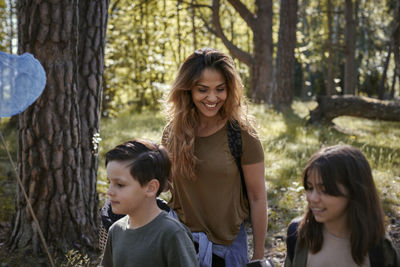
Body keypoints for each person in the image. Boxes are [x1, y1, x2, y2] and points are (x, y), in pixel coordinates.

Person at [162, 47, 268, 267]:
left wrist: (258, 256)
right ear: (188, 89)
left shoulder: (242, 134)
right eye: (203, 89)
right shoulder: (173, 133)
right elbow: (165, 186)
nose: (212, 97)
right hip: (180, 244)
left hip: (226, 248)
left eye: (220, 89)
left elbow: (258, 197)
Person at [284, 145, 400, 267]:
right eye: (310, 188)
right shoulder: (297, 235)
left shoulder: (380, 249)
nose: (312, 198)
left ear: (354, 191)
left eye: (324, 190)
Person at [100, 139, 199, 267]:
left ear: (151, 188)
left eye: (120, 185)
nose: (109, 192)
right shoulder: (116, 230)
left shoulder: (172, 234)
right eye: (109, 183)